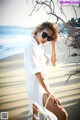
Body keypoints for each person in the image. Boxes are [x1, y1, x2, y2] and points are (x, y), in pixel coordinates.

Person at [24, 21, 68, 120]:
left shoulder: (39, 47)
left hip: (41, 87)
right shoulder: (32, 46)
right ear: (38, 30)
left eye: (49, 38)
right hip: (37, 89)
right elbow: (38, 73)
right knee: (62, 114)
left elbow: (54, 62)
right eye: (44, 35)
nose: (45, 39)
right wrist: (50, 93)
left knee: (34, 118)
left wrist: (53, 43)